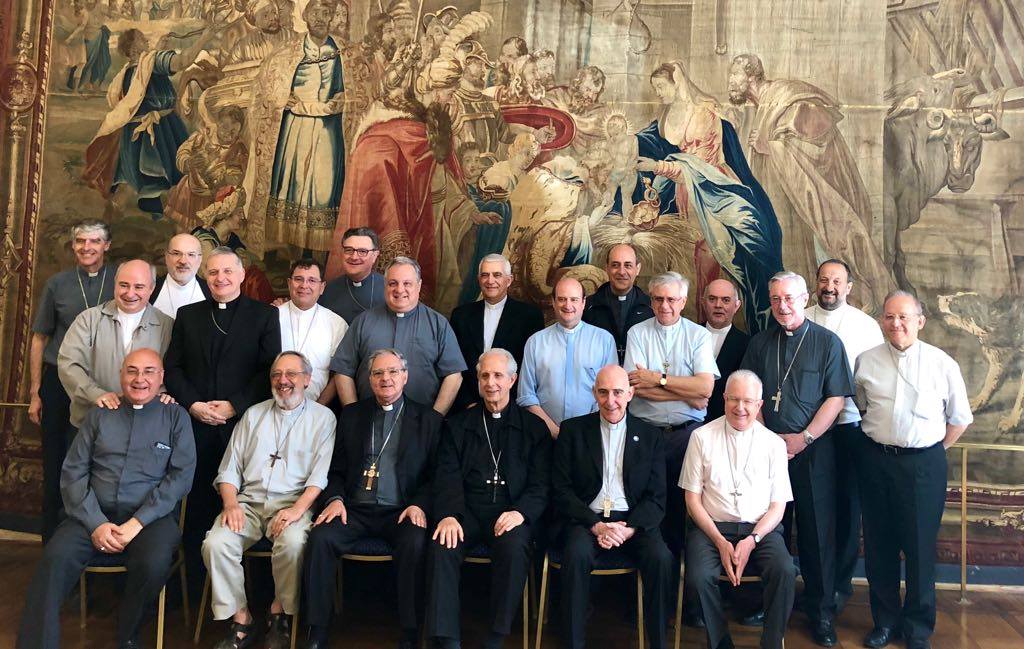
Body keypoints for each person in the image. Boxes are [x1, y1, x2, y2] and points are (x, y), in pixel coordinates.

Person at [17, 349, 195, 649]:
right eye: (132, 371)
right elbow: (73, 473)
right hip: (90, 515)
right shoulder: (100, 414)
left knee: (154, 563)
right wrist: (96, 523)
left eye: (149, 371)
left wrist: (137, 523)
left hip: (151, 520)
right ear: (121, 375)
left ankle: (128, 635)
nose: (140, 379)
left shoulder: (176, 417)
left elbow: (180, 478)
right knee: (54, 557)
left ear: (161, 377)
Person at [727, 53, 893, 313]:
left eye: (734, 74)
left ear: (750, 76)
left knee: (836, 242)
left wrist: (770, 146)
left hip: (818, 192)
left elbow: (816, 146)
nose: (730, 81)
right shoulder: (762, 107)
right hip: (791, 205)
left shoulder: (786, 97)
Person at [738, 271, 853, 647]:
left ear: (804, 299)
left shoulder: (828, 342)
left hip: (814, 452)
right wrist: (769, 440)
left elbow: (836, 399)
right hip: (768, 452)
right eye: (775, 299)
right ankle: (771, 606)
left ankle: (821, 613)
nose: (782, 306)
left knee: (817, 534)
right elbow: (749, 395)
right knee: (771, 531)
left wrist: (803, 439)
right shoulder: (760, 342)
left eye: (789, 298)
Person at [302, 349, 443, 649]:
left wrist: (419, 504)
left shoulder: (428, 420)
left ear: (405, 376)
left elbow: (437, 476)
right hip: (353, 509)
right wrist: (335, 498)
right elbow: (335, 468)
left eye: (393, 372)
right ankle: (317, 629)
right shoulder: (352, 415)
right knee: (321, 537)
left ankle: (410, 630)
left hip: (401, 510)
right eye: (378, 373)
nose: (385, 379)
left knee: (415, 542)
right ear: (369, 379)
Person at [854, 291, 972, 649]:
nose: (896, 324)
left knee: (920, 549)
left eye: (904, 317)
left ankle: (918, 629)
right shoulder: (865, 361)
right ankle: (884, 622)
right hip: (876, 461)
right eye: (890, 317)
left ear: (920, 321)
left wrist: (930, 450)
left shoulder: (942, 364)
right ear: (882, 321)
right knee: (879, 546)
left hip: (923, 466)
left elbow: (959, 419)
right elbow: (863, 408)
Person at [164, 246, 281, 595]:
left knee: (243, 506)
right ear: (206, 275)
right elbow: (173, 368)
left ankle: (252, 589)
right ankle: (196, 587)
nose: (221, 278)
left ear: (242, 275)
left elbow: (269, 370)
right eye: (213, 272)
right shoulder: (188, 315)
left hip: (243, 427)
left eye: (228, 271)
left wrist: (234, 406)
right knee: (197, 504)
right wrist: (194, 404)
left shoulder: (263, 316)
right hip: (195, 427)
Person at [635, 61, 783, 334]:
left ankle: (727, 326)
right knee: (696, 261)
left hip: (714, 190)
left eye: (661, 86)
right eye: (655, 88)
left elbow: (699, 168)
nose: (658, 93)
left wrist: (658, 166)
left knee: (718, 256)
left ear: (677, 83)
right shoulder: (668, 116)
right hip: (688, 194)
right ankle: (700, 325)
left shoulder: (703, 115)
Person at [202, 351, 335, 649]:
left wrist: (297, 510)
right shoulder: (253, 415)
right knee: (216, 544)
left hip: (293, 503)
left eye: (291, 374)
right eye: (277, 375)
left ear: (307, 379)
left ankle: (279, 613)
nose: (283, 381)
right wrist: (231, 504)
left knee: (294, 543)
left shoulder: (323, 418)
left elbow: (319, 476)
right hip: (247, 503)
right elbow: (229, 469)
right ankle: (242, 618)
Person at [426, 349, 551, 649]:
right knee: (443, 544)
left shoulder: (534, 428)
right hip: (466, 510)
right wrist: (449, 515)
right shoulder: (458, 425)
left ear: (512, 380)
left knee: (515, 547)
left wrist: (521, 512)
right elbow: (446, 475)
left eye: (497, 376)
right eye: (484, 376)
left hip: (510, 512)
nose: (491, 383)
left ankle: (496, 636)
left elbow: (542, 483)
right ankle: (447, 638)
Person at [551, 365, 673, 649]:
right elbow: (561, 490)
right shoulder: (573, 430)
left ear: (630, 394)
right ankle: (572, 643)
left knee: (661, 558)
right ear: (594, 393)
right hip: (587, 519)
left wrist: (629, 529)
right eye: (603, 393)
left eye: (618, 393)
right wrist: (596, 526)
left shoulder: (651, 435)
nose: (611, 401)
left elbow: (656, 496)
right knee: (576, 554)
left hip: (633, 522)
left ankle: (658, 642)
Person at [681, 370, 796, 649]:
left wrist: (752, 539)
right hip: (711, 528)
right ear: (724, 399)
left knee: (784, 570)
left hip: (761, 529)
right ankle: (721, 642)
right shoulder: (701, 437)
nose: (740, 407)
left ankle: (771, 643)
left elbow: (778, 506)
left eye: (748, 401)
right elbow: (692, 500)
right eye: (734, 399)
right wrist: (720, 541)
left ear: (759, 405)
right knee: (698, 578)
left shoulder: (774, 444)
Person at [28, 220, 115, 542]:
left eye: (94, 241)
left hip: (104, 381)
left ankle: (93, 537)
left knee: (101, 461)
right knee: (57, 460)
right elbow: (40, 338)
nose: (86, 247)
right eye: (80, 241)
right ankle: (52, 539)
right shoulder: (58, 284)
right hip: (59, 382)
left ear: (106, 245)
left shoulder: (120, 280)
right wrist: (35, 392)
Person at [805, 259, 884, 609]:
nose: (830, 287)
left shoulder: (865, 326)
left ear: (848, 287)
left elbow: (873, 383)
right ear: (815, 283)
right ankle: (813, 587)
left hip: (850, 428)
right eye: (824, 280)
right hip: (807, 429)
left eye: (837, 281)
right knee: (811, 510)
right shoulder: (801, 317)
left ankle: (840, 586)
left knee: (847, 509)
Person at [623, 271, 718, 556]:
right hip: (645, 432)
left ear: (683, 301)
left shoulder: (698, 335)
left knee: (681, 506)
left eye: (671, 299)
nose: (665, 306)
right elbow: (636, 388)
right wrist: (688, 393)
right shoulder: (637, 333)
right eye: (658, 299)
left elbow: (706, 387)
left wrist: (658, 379)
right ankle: (648, 568)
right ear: (651, 301)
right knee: (645, 502)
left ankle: (679, 570)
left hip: (686, 435)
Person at [82, 26, 218, 215]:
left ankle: (143, 204)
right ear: (133, 50)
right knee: (166, 170)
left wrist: (158, 50)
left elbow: (146, 75)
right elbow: (183, 61)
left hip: (134, 131)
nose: (146, 40)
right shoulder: (150, 62)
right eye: (141, 38)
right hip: (159, 129)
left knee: (142, 177)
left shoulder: (128, 71)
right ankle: (157, 205)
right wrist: (204, 37)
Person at [245, 0, 345, 254]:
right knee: (295, 186)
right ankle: (295, 254)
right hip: (295, 129)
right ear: (305, 16)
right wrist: (281, 98)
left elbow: (359, 89)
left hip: (329, 130)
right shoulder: (286, 54)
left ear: (332, 17)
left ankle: (322, 254)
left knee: (324, 189)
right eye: (315, 13)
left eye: (326, 13)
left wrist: (344, 98)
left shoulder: (345, 54)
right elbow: (266, 88)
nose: (320, 18)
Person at [329, 257, 466, 414]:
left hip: (421, 420)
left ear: (419, 285)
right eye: (393, 283)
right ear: (385, 285)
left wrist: (434, 418)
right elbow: (343, 371)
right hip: (368, 418)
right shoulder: (363, 321)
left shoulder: (438, 324)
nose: (399, 290)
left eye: (407, 283)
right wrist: (353, 415)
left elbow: (453, 375)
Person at [58, 259, 173, 431]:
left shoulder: (167, 325)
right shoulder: (88, 319)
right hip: (92, 421)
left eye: (139, 287)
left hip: (145, 425)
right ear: (115, 284)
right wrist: (96, 394)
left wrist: (162, 395)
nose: (130, 293)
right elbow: (68, 364)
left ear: (151, 288)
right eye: (124, 285)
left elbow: (172, 371)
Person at [517, 277, 617, 438]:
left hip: (591, 434)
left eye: (574, 299)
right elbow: (526, 396)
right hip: (544, 435)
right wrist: (554, 431)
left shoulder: (604, 340)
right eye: (562, 299)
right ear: (553, 302)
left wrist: (586, 428)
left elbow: (611, 392)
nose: (567, 305)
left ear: (583, 302)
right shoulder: (535, 342)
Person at [449, 254, 544, 411]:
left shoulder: (529, 317)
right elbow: (454, 364)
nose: (490, 280)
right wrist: (468, 403)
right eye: (485, 275)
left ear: (509, 280)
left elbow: (530, 369)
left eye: (497, 275)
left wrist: (505, 405)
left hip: (511, 407)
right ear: (479, 279)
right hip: (467, 407)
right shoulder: (461, 315)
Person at [278, 260, 348, 404]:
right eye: (298, 279)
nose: (304, 285)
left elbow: (339, 373)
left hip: (316, 406)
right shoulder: (272, 316)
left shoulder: (336, 324)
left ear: (322, 287)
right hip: (272, 403)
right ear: (289, 283)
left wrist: (319, 407)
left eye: (312, 280)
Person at [582, 243, 653, 364]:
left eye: (628, 265)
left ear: (637, 269)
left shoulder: (651, 307)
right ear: (607, 268)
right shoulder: (587, 307)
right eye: (615, 265)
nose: (621, 271)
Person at [703, 279, 750, 422]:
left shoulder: (747, 344)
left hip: (725, 421)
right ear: (703, 302)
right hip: (686, 421)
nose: (718, 305)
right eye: (712, 299)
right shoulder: (687, 335)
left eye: (726, 300)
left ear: (736, 306)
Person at [319, 227, 385, 324]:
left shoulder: (389, 289)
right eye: (349, 250)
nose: (354, 257)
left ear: (375, 255)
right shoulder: (329, 290)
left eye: (362, 251)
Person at [151, 233, 210, 319]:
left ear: (200, 259)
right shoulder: (149, 290)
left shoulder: (212, 292)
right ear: (166, 257)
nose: (183, 261)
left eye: (191, 254)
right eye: (176, 253)